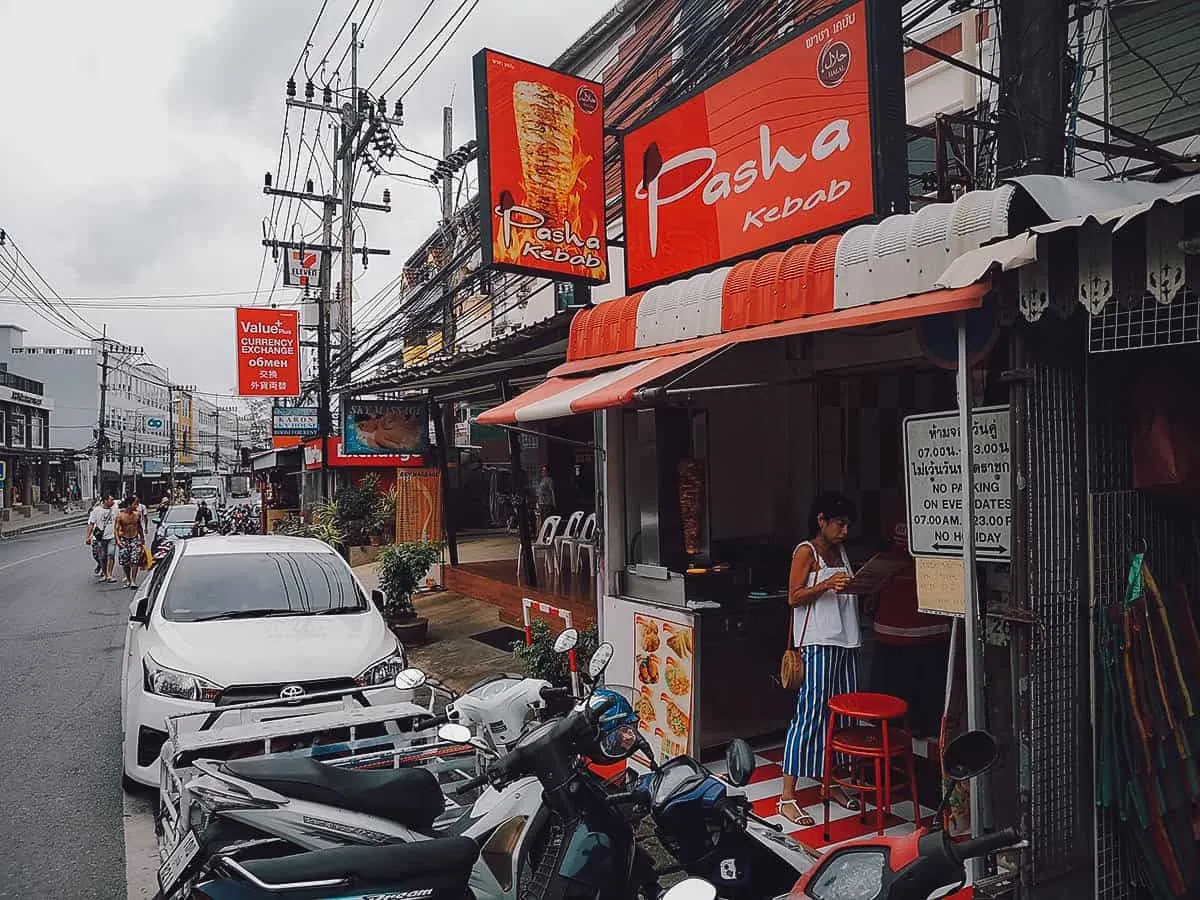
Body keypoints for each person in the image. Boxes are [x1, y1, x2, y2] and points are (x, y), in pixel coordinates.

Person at [778, 492, 862, 827]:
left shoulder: (840, 551)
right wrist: (826, 583)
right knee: (810, 715)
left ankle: (830, 783)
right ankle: (787, 796)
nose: (844, 531)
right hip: (817, 643)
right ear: (822, 520)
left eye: (847, 525)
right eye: (839, 524)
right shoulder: (806, 551)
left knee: (841, 718)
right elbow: (793, 597)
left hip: (845, 641)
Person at [870, 522, 951, 738]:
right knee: (902, 703)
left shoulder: (936, 533)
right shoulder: (891, 555)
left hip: (925, 629)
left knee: (908, 702)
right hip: (897, 631)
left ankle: (903, 739)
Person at [115, 498, 145, 590]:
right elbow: (116, 530)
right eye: (134, 504)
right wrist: (118, 541)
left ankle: (133, 580)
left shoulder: (137, 515)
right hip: (124, 539)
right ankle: (128, 579)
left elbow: (139, 527)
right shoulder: (120, 516)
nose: (136, 506)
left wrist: (142, 538)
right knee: (125, 561)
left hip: (134, 539)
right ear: (128, 505)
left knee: (135, 559)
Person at [85, 496, 117, 581]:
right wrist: (88, 537)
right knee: (102, 557)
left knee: (111, 555)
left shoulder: (115, 509)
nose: (113, 501)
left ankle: (109, 574)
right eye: (111, 500)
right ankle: (105, 574)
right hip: (101, 538)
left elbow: (118, 521)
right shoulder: (96, 511)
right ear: (105, 500)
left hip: (112, 536)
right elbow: (91, 524)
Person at [535, 465, 556, 529]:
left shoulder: (549, 480)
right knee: (542, 518)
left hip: (547, 502)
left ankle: (547, 532)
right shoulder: (542, 480)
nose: (543, 472)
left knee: (546, 518)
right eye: (542, 471)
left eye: (545, 471)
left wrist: (554, 502)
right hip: (541, 502)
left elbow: (552, 491)